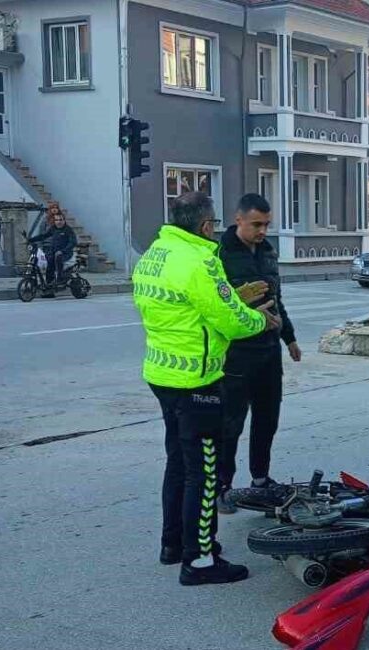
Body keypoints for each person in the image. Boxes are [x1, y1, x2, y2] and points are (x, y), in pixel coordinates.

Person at [133, 191, 280, 586]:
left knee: (178, 463)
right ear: (204, 225)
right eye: (213, 223)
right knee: (205, 471)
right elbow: (231, 322)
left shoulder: (156, 253)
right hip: (196, 379)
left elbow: (188, 308)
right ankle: (199, 559)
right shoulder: (201, 259)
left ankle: (172, 545)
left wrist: (233, 300)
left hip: (162, 373)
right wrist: (257, 319)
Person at [217, 194, 300, 514]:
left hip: (268, 351)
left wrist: (289, 338)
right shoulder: (219, 253)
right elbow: (215, 304)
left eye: (266, 224)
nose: (262, 231)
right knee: (231, 423)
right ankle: (222, 486)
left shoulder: (267, 252)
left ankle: (261, 480)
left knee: (267, 419)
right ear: (238, 220)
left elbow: (276, 300)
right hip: (237, 353)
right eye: (256, 225)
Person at [28, 203, 77, 295]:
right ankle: (49, 286)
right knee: (49, 262)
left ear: (64, 220)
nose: (59, 222)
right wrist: (31, 239)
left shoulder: (68, 230)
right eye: (57, 220)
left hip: (65, 254)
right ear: (54, 221)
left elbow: (73, 242)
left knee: (58, 256)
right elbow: (44, 235)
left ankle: (60, 278)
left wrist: (63, 251)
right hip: (53, 252)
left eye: (61, 220)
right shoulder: (53, 228)